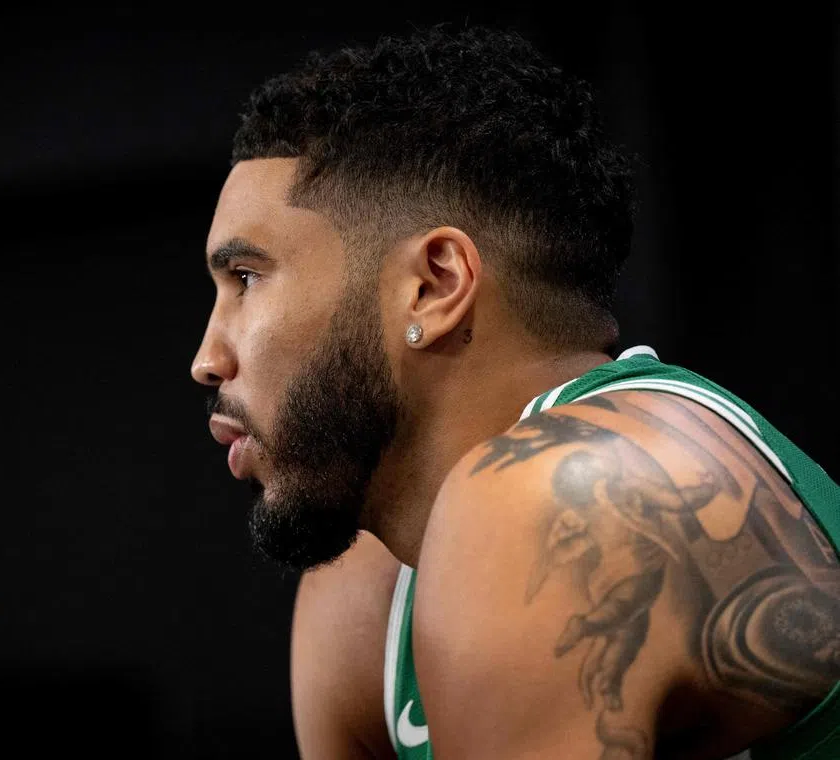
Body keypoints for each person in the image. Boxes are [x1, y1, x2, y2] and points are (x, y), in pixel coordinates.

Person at [189, 24, 840, 760]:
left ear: (433, 287)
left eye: (246, 279)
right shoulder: (364, 587)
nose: (206, 360)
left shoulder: (555, 497)